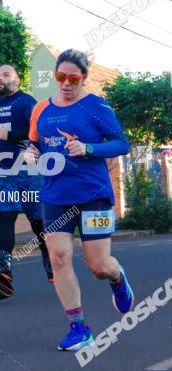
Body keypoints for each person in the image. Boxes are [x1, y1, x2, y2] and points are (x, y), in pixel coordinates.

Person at [27, 49, 133, 351]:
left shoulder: (97, 106)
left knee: (98, 265)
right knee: (59, 256)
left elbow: (120, 143)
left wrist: (88, 149)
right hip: (55, 194)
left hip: (93, 194)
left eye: (73, 79)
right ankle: (79, 327)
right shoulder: (41, 110)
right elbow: (34, 142)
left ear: (84, 78)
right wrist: (30, 151)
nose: (66, 84)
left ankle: (117, 277)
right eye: (61, 77)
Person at [0, 64, 53, 299]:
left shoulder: (26, 102)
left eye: (6, 75)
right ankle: (4, 266)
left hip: (28, 170)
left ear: (18, 80)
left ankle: (49, 254)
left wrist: (10, 136)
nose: (0, 78)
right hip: (1, 170)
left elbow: (38, 132)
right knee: (5, 215)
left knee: (37, 220)